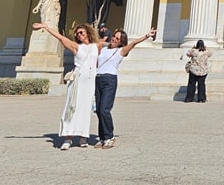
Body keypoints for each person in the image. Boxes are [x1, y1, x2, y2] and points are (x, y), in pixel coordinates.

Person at [32, 21, 98, 149]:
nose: (79, 35)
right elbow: (61, 38)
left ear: (88, 33)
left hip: (90, 83)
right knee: (71, 108)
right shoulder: (76, 47)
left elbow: (114, 48)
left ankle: (82, 137)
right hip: (77, 82)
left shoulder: (96, 47)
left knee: (85, 110)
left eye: (81, 32)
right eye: (77, 34)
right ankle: (68, 138)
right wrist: (47, 27)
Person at [94, 27, 156, 149]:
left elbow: (133, 43)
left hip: (109, 80)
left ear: (121, 42)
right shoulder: (104, 49)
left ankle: (109, 136)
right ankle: (102, 138)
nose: (114, 39)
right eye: (114, 36)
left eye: (117, 38)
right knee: (98, 111)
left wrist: (147, 36)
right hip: (98, 79)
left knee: (104, 109)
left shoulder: (121, 51)